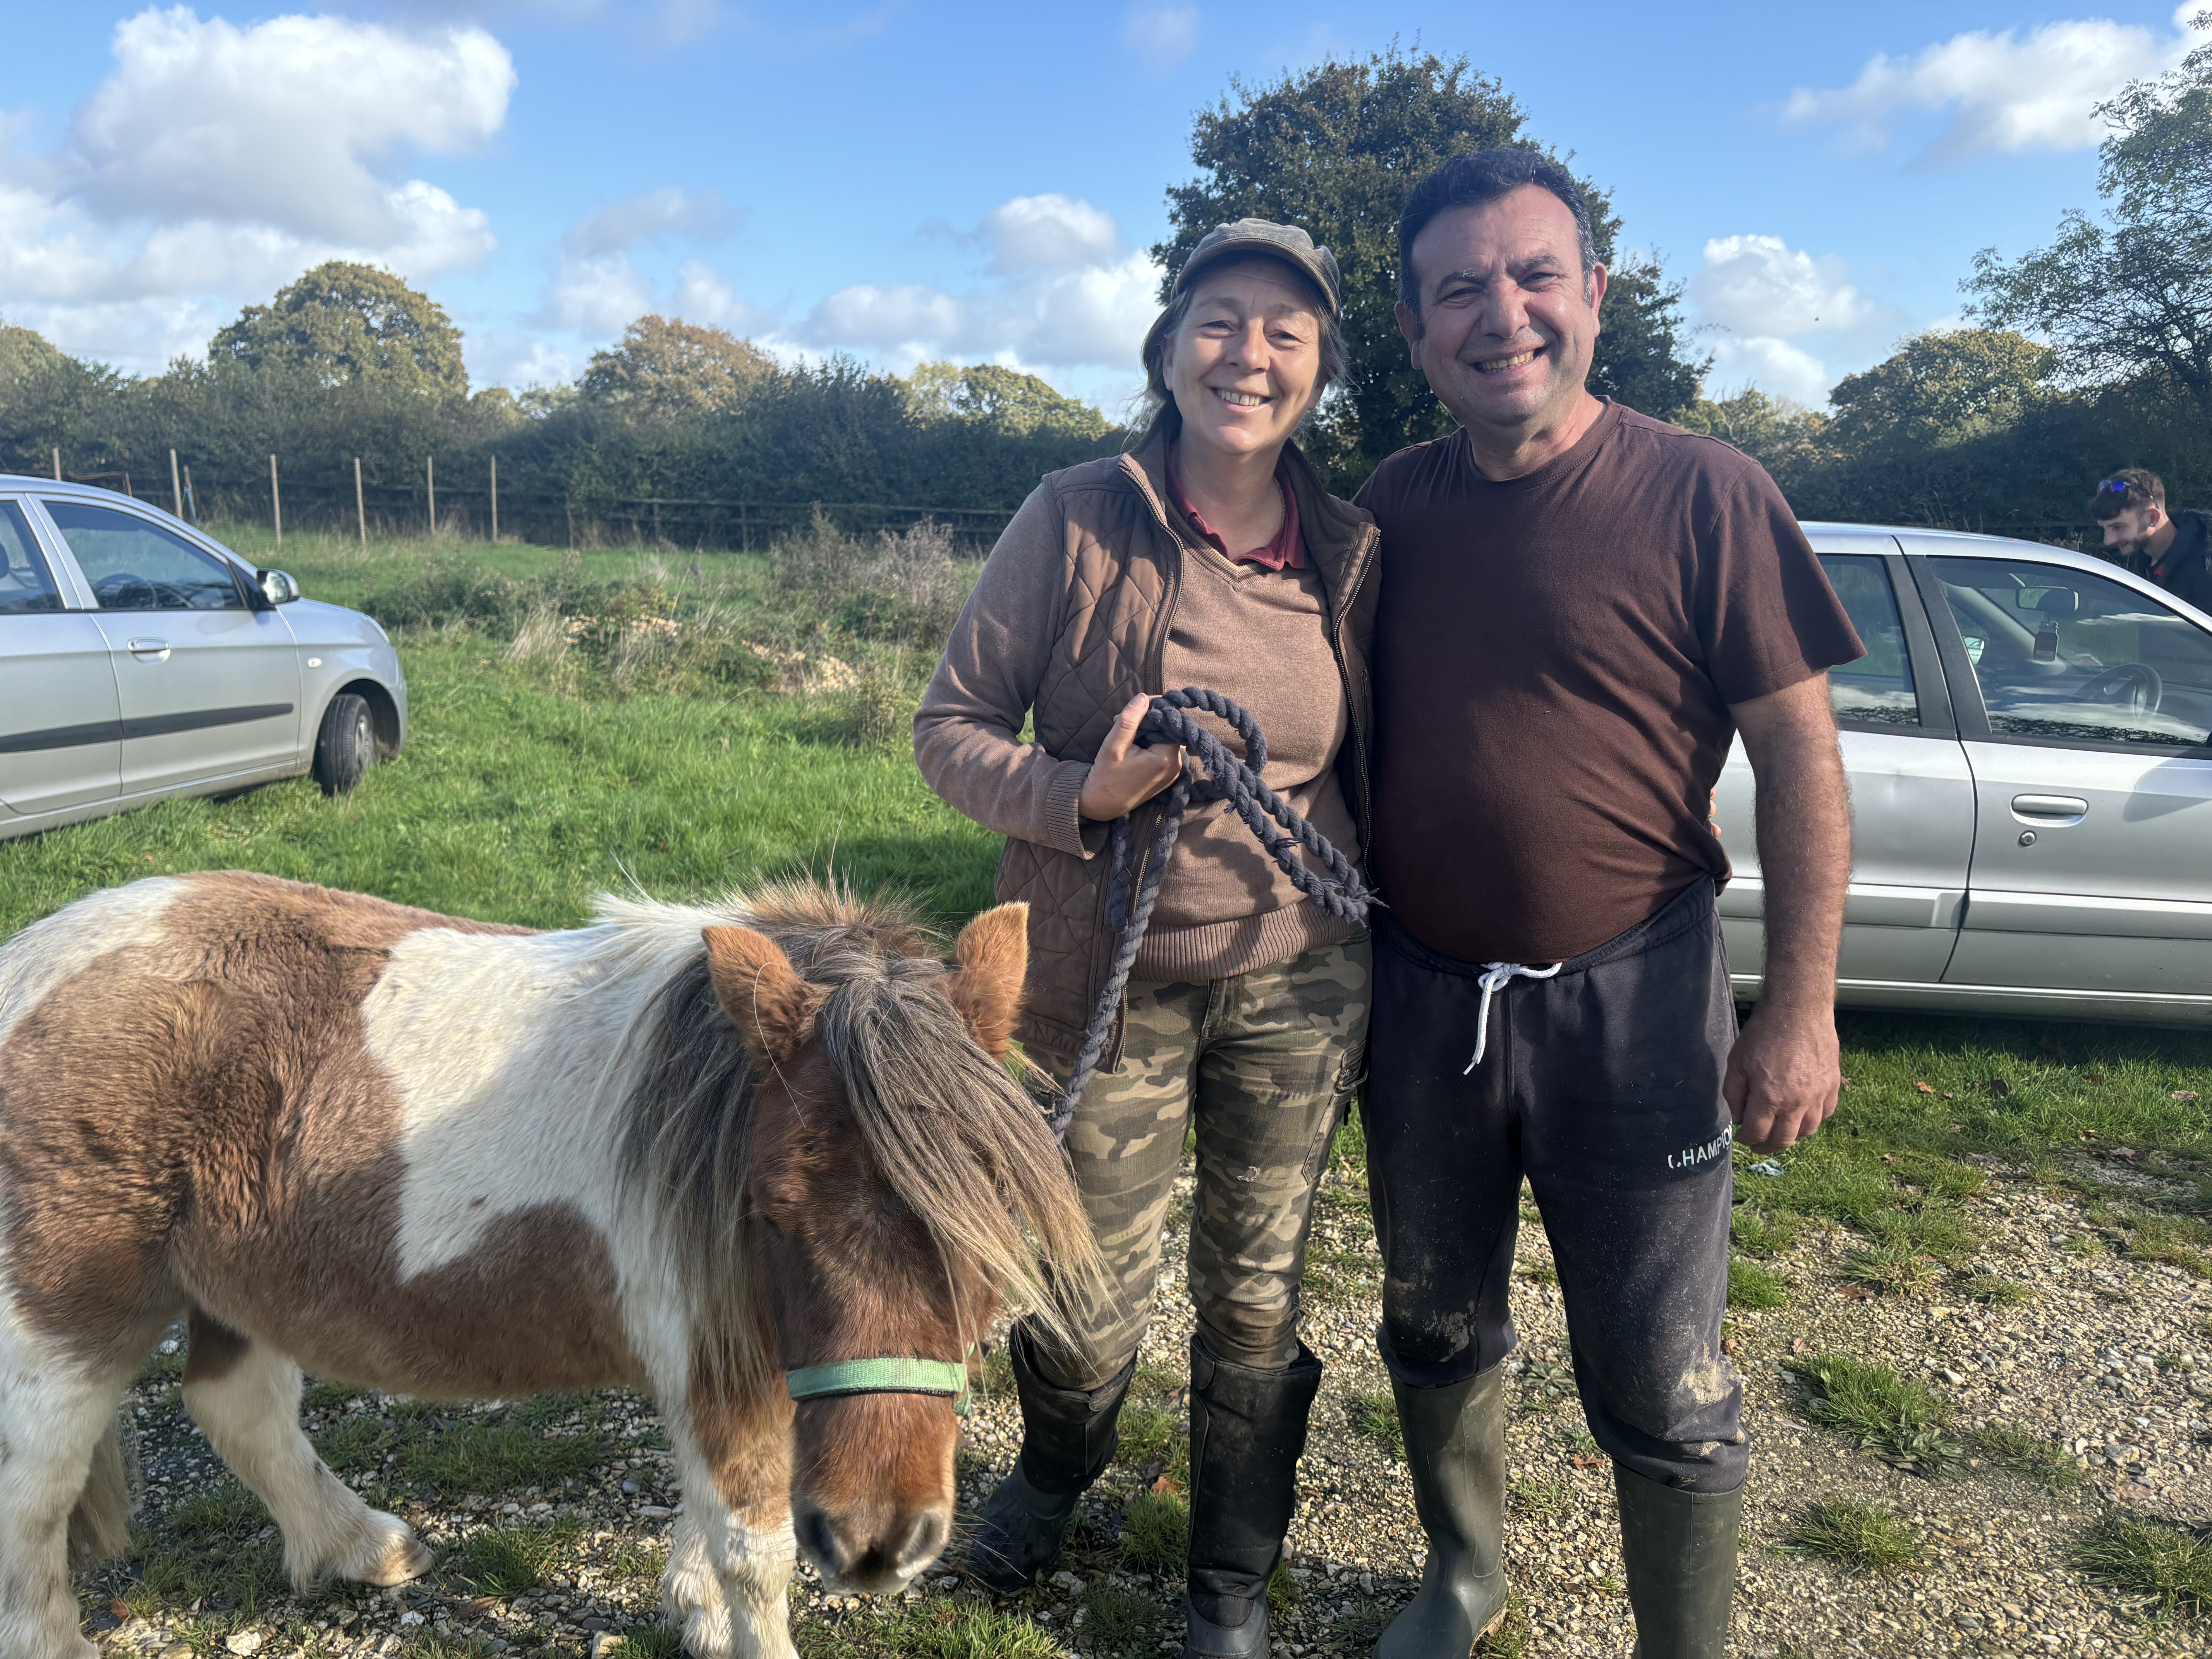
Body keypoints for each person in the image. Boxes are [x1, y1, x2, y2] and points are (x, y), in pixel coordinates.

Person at [1352, 150, 1863, 1659]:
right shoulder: (1390, 511)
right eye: (1460, 289)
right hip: (1421, 1000)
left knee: (1658, 1375)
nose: (1500, 313)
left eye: (1532, 276)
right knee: (1433, 1320)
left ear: (1594, 296)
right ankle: (1463, 1575)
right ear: (1415, 329)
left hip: (1636, 1006)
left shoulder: (1710, 494)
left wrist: (1805, 1006)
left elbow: (1803, 766)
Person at [913, 218, 1379, 1659]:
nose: (1249, 354)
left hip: (1296, 981)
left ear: (1319, 370)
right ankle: (1055, 1470)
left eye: (1284, 332)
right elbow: (948, 730)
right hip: (1101, 983)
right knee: (1080, 1289)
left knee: (1255, 1296)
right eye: (1222, 321)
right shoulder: (1072, 518)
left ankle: (1228, 1581)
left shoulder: (1353, 552)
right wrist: (1079, 793)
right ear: (1169, 347)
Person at [2091, 468, 2212, 613]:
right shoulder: (2146, 564)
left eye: (2118, 527)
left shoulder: (2205, 569)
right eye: (2105, 529)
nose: (2108, 541)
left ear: (2152, 518)